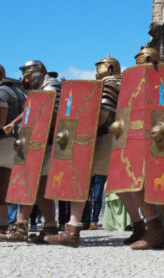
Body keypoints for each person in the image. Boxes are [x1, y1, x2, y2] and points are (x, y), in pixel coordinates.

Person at [45, 55, 123, 247]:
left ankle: (72, 230)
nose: (97, 71)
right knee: (124, 188)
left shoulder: (109, 84)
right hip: (117, 138)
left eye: (100, 67)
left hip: (104, 139)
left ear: (110, 68)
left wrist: (81, 130)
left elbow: (102, 116)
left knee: (79, 177)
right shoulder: (124, 84)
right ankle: (144, 225)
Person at [0, 60, 62, 243]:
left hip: (46, 141)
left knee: (28, 181)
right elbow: (32, 108)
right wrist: (15, 123)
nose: (27, 78)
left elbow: (50, 112)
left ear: (40, 71)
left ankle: (21, 226)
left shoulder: (51, 85)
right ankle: (50, 228)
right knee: (41, 187)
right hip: (39, 141)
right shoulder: (40, 88)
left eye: (30, 74)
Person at [129, 46, 164, 250]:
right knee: (146, 183)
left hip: (162, 136)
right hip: (149, 137)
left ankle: (159, 229)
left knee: (141, 183)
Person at [0, 65, 27, 232]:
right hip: (15, 141)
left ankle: (3, 222)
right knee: (4, 183)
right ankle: (3, 222)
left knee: (2, 183)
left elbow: (2, 112)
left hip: (2, 139)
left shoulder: (2, 92)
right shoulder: (18, 92)